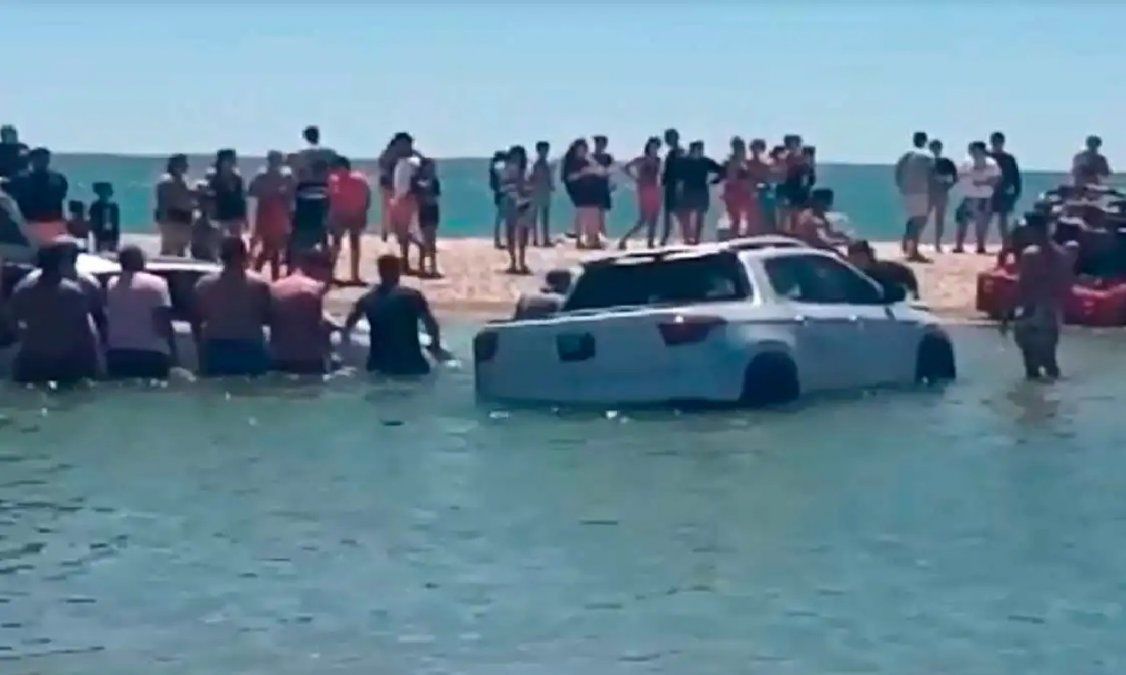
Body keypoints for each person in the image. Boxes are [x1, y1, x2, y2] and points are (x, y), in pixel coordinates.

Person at [5, 243, 99, 383]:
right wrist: (93, 361)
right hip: (66, 360)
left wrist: (25, 337)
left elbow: (11, 320)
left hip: (33, 358)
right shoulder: (72, 292)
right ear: (60, 264)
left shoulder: (24, 290)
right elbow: (85, 330)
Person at [343, 254, 449, 376]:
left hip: (379, 365)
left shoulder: (366, 300)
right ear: (397, 271)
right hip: (412, 364)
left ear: (380, 272)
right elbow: (431, 325)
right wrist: (435, 346)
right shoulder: (412, 296)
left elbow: (348, 325)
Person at [1001, 212, 1077, 380]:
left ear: (1033, 230)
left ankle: (1033, 402)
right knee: (1050, 364)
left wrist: (1007, 314)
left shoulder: (1031, 254)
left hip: (1030, 314)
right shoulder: (1064, 255)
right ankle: (1052, 400)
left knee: (1031, 368)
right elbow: (1066, 287)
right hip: (1051, 315)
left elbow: (1021, 287)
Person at [191, 236, 272, 376]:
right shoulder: (259, 285)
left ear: (221, 256)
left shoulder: (204, 285)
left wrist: (200, 345)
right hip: (249, 346)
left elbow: (195, 319)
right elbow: (268, 316)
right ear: (245, 256)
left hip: (216, 347)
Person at [104, 245, 177, 379]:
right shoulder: (157, 284)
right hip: (151, 353)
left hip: (118, 353)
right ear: (142, 261)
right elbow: (162, 322)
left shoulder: (111, 285)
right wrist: (173, 349)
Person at [269, 248, 333, 374]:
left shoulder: (275, 287)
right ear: (317, 268)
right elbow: (317, 325)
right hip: (307, 359)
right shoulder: (315, 288)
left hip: (278, 357)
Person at [248, 150, 295, 280]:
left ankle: (270, 276)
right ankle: (257, 273)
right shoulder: (264, 176)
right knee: (269, 247)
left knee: (274, 249)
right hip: (268, 213)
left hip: (277, 214)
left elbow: (289, 196)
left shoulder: (283, 176)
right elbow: (253, 193)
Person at [6, 147, 68, 244]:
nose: (43, 162)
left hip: (54, 223)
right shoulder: (20, 180)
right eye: (40, 159)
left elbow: (61, 196)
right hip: (30, 223)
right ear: (31, 160)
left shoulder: (58, 179)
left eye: (45, 159)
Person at [326, 155, 371, 285]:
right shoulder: (334, 180)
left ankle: (354, 275)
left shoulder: (357, 179)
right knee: (336, 244)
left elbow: (367, 197)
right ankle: (331, 273)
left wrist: (363, 211)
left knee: (354, 244)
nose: (334, 171)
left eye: (336, 168)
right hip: (340, 215)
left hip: (353, 214)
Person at [894, 131, 934, 262]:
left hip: (907, 190)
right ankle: (914, 250)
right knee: (920, 220)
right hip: (921, 190)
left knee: (913, 218)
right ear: (925, 141)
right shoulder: (927, 155)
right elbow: (932, 172)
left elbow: (898, 171)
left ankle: (908, 241)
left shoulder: (906, 154)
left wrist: (901, 185)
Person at [956, 141, 1001, 254]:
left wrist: (982, 182)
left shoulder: (991, 163)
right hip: (968, 195)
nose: (973, 152)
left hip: (984, 197)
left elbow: (996, 179)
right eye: (971, 150)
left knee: (982, 223)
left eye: (975, 150)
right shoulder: (966, 162)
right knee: (962, 221)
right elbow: (958, 175)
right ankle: (959, 246)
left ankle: (980, 246)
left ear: (982, 150)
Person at [617, 136, 662, 249]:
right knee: (643, 219)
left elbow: (659, 174)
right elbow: (626, 167)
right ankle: (624, 239)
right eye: (653, 146)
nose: (654, 149)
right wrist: (635, 178)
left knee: (654, 217)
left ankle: (650, 242)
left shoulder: (658, 160)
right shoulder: (642, 160)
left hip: (654, 189)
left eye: (656, 147)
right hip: (644, 189)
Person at [678, 141, 724, 245]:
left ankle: (696, 239)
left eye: (701, 149)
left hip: (701, 190)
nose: (699, 151)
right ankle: (686, 238)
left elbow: (721, 170)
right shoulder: (684, 162)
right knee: (687, 216)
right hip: (688, 190)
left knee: (700, 216)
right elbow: (677, 175)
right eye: (697, 149)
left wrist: (715, 181)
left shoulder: (705, 161)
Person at [561, 138, 604, 249]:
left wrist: (592, 164)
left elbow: (600, 170)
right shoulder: (571, 162)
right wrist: (582, 173)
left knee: (593, 213)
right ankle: (579, 240)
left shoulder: (587, 160)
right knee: (581, 214)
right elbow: (568, 177)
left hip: (590, 190)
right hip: (578, 190)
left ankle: (592, 239)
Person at [845, 240, 919, 299]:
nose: (856, 261)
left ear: (869, 256)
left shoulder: (888, 271)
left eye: (859, 257)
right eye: (853, 258)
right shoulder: (851, 274)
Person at [500, 145, 532, 274]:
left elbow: (531, 186)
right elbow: (503, 186)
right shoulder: (508, 169)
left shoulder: (527, 170)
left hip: (524, 203)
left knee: (523, 234)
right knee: (511, 233)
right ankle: (513, 262)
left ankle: (521, 262)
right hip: (511, 202)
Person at [390, 135, 421, 269]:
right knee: (401, 233)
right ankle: (405, 260)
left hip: (407, 199)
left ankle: (413, 257)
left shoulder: (413, 162)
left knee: (408, 231)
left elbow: (418, 176)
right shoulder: (400, 161)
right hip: (399, 199)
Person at [156, 154, 196, 257]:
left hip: (184, 220)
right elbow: (168, 200)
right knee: (169, 250)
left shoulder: (183, 180)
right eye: (183, 163)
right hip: (172, 219)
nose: (186, 166)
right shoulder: (167, 180)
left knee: (181, 251)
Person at [989, 131, 1022, 247]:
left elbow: (1016, 176)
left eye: (999, 142)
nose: (997, 144)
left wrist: (1016, 192)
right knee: (985, 218)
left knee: (1003, 220)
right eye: (995, 142)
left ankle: (1005, 244)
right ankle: (981, 243)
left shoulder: (1009, 158)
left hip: (1004, 192)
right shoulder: (988, 157)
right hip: (988, 192)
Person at [377, 133, 411, 242]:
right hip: (388, 185)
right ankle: (386, 230)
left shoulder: (410, 153)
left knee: (400, 212)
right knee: (387, 209)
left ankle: (399, 231)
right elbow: (383, 168)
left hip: (403, 186)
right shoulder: (388, 153)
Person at [412, 157, 441, 278]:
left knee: (432, 240)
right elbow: (418, 193)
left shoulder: (434, 181)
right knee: (423, 241)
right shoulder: (416, 180)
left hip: (432, 210)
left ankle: (433, 267)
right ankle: (422, 267)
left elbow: (435, 195)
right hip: (422, 211)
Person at [208, 149, 247, 238]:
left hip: (235, 217)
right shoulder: (214, 179)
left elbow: (241, 199)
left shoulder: (237, 179)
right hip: (219, 217)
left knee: (234, 243)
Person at [928, 139, 957, 253]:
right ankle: (914, 242)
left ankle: (937, 243)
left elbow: (954, 178)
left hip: (941, 193)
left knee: (939, 219)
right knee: (922, 218)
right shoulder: (927, 162)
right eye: (934, 148)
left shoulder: (946, 162)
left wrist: (946, 185)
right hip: (928, 193)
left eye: (937, 148)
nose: (936, 150)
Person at [722, 137, 754, 238]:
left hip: (744, 193)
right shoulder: (732, 162)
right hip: (734, 192)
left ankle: (743, 236)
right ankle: (734, 238)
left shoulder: (745, 162)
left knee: (747, 218)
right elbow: (731, 177)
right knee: (736, 219)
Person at [660, 128, 685, 245]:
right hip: (670, 185)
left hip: (675, 185)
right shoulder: (671, 153)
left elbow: (680, 170)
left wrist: (680, 186)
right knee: (669, 212)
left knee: (677, 212)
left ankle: (684, 236)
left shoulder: (679, 152)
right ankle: (666, 237)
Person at [529, 141, 554, 247]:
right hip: (537, 192)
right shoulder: (537, 164)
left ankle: (544, 238)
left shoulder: (545, 164)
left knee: (544, 217)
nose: (545, 152)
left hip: (543, 191)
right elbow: (532, 177)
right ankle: (536, 239)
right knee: (536, 217)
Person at [745, 138, 772, 235]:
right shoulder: (747, 164)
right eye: (755, 148)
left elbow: (769, 179)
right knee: (750, 218)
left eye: (759, 148)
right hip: (749, 195)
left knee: (763, 217)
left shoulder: (766, 164)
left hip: (763, 194)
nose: (757, 151)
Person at [591, 135, 614, 237]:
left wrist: (611, 184)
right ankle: (595, 236)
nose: (600, 146)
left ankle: (602, 236)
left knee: (601, 215)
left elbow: (611, 171)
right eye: (598, 143)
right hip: (592, 188)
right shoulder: (590, 157)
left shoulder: (607, 158)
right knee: (593, 214)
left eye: (602, 144)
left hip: (603, 187)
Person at [88, 181, 120, 253]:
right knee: (100, 250)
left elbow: (116, 224)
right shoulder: (95, 206)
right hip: (100, 234)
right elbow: (93, 221)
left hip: (111, 234)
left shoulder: (113, 207)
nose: (104, 194)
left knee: (111, 250)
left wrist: (116, 238)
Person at [488, 150, 507, 249]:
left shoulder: (493, 169)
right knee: (501, 218)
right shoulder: (497, 170)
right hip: (502, 195)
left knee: (499, 219)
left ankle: (497, 240)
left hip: (499, 195)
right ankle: (498, 240)